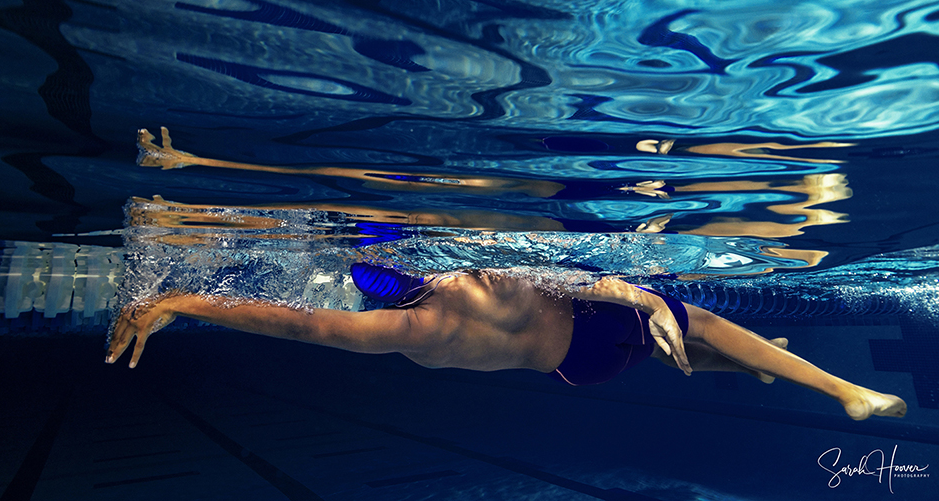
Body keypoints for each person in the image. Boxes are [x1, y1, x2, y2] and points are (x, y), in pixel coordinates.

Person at [106, 265, 907, 422]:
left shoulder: (403, 325)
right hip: (597, 335)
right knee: (697, 326)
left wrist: (184, 299)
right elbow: (588, 281)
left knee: (684, 340)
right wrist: (645, 294)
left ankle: (755, 360)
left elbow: (300, 323)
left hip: (580, 367)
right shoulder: (474, 280)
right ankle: (842, 389)